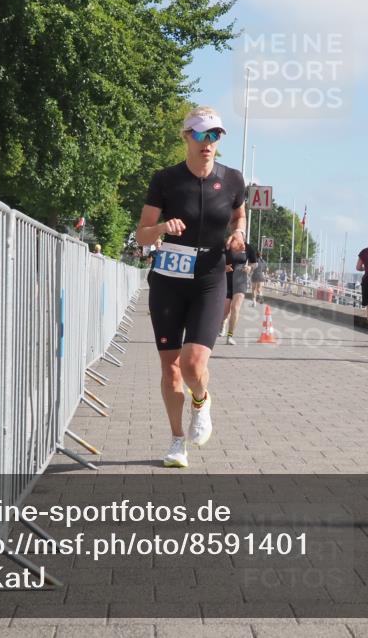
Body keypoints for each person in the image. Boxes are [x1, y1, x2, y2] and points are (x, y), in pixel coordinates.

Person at [135, 107, 246, 468]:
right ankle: (176, 440)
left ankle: (201, 400)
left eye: (214, 136)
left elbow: (239, 213)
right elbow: (142, 233)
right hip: (168, 277)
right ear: (186, 137)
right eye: (200, 135)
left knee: (193, 363)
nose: (208, 143)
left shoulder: (232, 179)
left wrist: (239, 233)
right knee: (170, 368)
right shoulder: (165, 179)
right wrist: (164, 228)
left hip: (209, 278)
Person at [222, 241, 257, 344]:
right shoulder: (227, 245)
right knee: (225, 311)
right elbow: (216, 260)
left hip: (240, 280)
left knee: (235, 308)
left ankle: (230, 336)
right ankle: (222, 323)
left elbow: (254, 263)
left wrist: (250, 267)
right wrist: (223, 267)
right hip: (226, 280)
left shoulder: (248, 247)